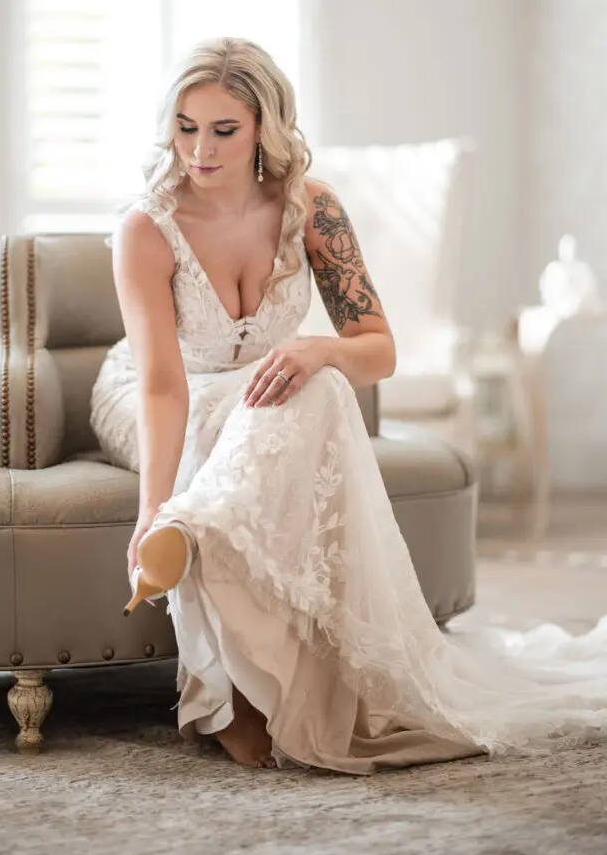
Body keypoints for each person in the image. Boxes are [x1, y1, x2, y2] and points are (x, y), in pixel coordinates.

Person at [90, 37, 607, 775]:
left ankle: (201, 537)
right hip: (160, 385)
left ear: (265, 128)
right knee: (240, 424)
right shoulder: (146, 227)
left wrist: (319, 348)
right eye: (185, 126)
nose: (199, 150)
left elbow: (379, 350)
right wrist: (148, 509)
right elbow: (162, 386)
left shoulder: (313, 209)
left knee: (324, 385)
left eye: (222, 130)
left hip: (263, 385)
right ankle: (229, 691)